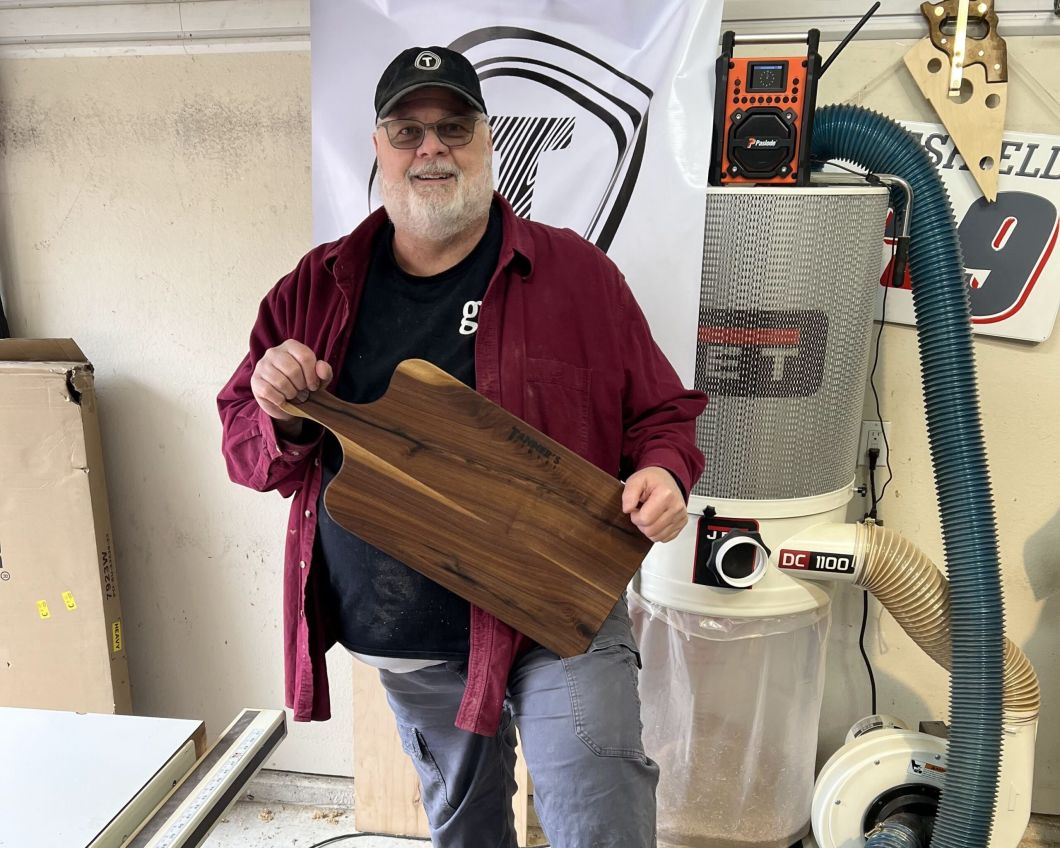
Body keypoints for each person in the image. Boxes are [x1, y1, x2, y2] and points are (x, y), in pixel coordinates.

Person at [218, 45, 707, 848]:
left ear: (487, 138)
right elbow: (244, 446)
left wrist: (662, 467)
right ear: (377, 146)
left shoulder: (578, 278)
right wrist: (283, 411)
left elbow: (663, 410)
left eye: (452, 126)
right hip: (409, 643)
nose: (430, 148)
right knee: (465, 829)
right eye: (407, 130)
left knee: (597, 810)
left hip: (557, 609)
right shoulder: (317, 285)